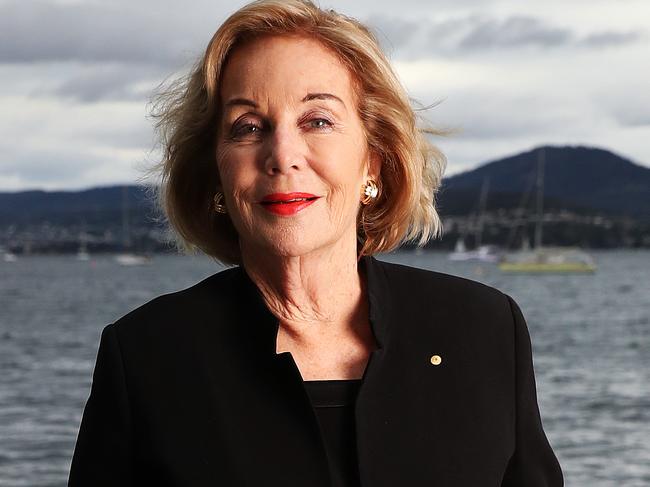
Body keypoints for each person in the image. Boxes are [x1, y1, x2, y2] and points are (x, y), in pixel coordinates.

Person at [68, 1, 564, 486]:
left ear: (374, 160)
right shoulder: (146, 355)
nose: (282, 155)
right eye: (248, 127)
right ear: (215, 171)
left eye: (317, 120)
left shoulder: (484, 328)